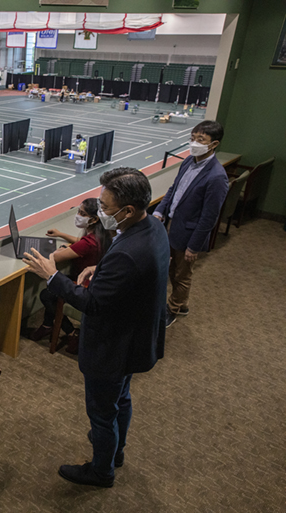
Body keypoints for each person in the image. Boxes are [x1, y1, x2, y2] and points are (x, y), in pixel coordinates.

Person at [23, 167, 169, 488]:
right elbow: (129, 271)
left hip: (113, 347)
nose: (100, 211)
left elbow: (92, 304)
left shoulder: (129, 253)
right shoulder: (153, 228)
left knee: (102, 415)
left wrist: (51, 275)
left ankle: (101, 471)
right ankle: (116, 452)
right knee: (122, 399)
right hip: (136, 338)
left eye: (105, 206)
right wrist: (99, 268)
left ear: (128, 210)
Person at [153, 121, 228, 328]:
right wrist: (160, 210)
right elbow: (174, 189)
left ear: (213, 144)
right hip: (171, 225)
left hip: (188, 235)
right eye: (193, 138)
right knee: (172, 270)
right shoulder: (188, 161)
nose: (194, 143)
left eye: (200, 140)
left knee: (182, 274)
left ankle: (173, 309)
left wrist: (194, 246)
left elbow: (209, 217)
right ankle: (181, 303)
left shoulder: (217, 177)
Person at [27, 198, 112, 354]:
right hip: (91, 280)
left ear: (93, 219)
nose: (78, 215)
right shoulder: (101, 234)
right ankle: (47, 325)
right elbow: (81, 242)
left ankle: (70, 331)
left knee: (47, 294)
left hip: (83, 285)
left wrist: (59, 251)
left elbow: (53, 259)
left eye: (82, 213)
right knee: (53, 288)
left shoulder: (88, 243)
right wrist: (61, 234)